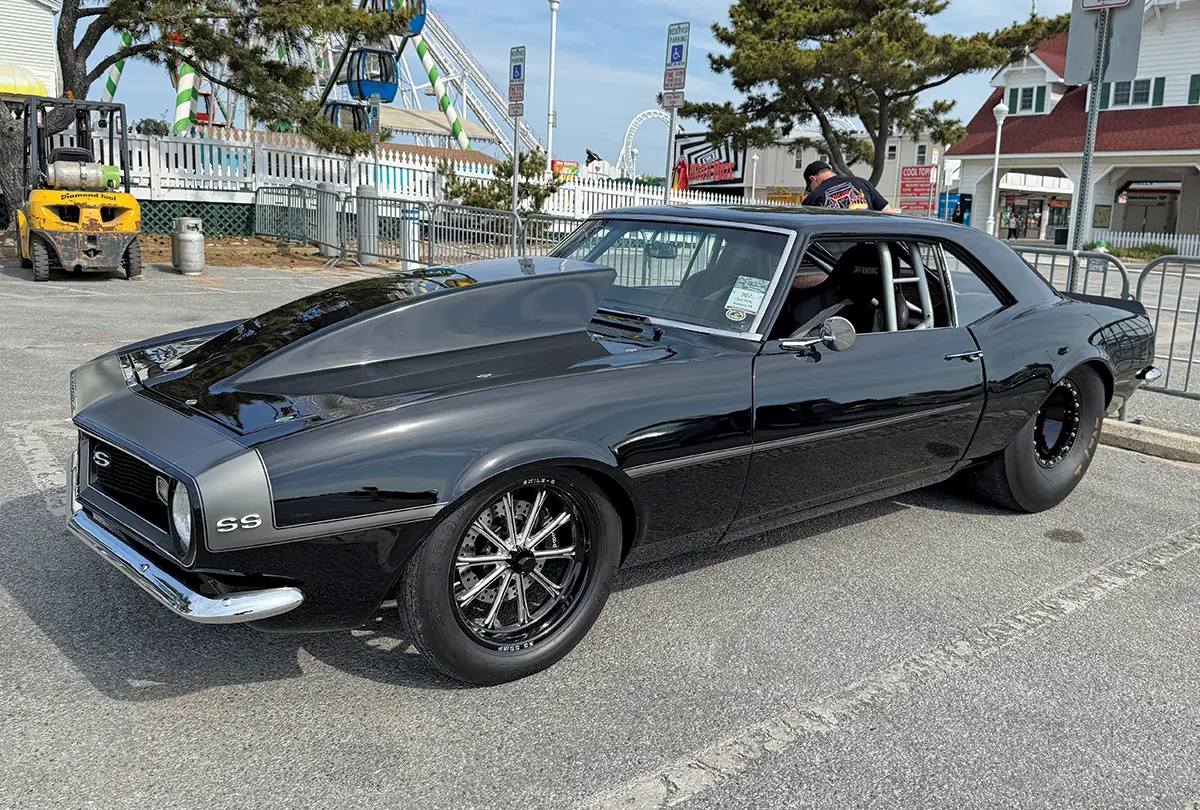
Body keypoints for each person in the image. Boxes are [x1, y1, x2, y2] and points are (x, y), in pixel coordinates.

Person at [802, 162, 899, 213]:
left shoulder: (812, 198)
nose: (812, 191)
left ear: (813, 179)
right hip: (868, 242)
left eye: (810, 188)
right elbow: (887, 212)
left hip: (834, 245)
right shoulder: (862, 182)